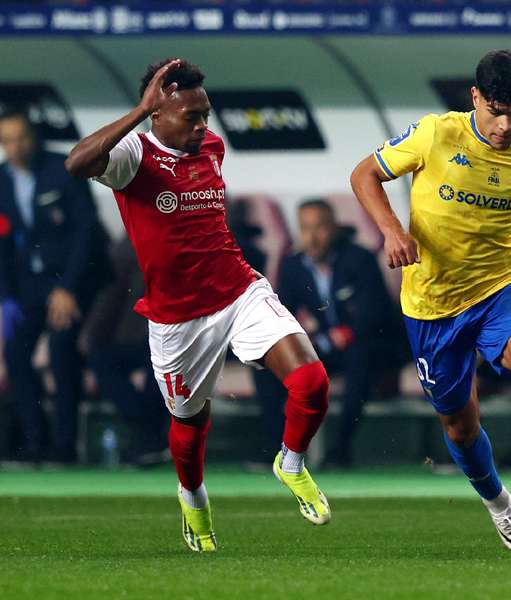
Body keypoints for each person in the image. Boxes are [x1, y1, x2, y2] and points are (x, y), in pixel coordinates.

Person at [65, 58, 331, 552]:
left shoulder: (211, 147)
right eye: (191, 116)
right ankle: (193, 499)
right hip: (177, 319)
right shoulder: (132, 155)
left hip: (238, 290)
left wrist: (184, 119)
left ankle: (290, 462)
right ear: (157, 114)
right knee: (191, 422)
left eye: (205, 113)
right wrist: (138, 110)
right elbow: (77, 163)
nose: (203, 125)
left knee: (312, 383)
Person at [350, 49, 511, 551]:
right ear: (474, 97)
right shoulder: (436, 134)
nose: (503, 125)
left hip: (499, 286)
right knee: (459, 427)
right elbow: (364, 175)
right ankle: (502, 508)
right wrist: (392, 230)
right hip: (432, 305)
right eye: (494, 110)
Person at [0, 108, 111, 465]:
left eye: (20, 137)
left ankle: (65, 446)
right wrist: (6, 298)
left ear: (34, 136)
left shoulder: (63, 167)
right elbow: (1, 240)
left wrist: (68, 288)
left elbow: (85, 234)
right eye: (7, 140)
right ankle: (34, 443)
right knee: (15, 353)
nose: (15, 147)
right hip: (32, 285)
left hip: (76, 279)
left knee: (61, 348)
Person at [254, 199, 406, 467]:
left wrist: (332, 337)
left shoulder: (359, 258)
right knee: (267, 364)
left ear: (334, 229)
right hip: (326, 348)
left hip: (368, 346)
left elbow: (374, 314)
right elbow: (282, 314)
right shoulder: (293, 265)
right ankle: (275, 450)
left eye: (319, 228)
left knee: (360, 358)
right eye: (305, 229)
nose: (311, 238)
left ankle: (340, 450)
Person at [79, 236, 169, 466]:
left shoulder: (206, 233)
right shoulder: (132, 242)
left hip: (189, 336)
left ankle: (148, 440)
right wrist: (91, 333)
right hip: (144, 336)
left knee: (161, 363)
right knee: (103, 360)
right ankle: (148, 434)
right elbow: (111, 293)